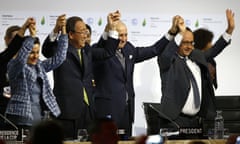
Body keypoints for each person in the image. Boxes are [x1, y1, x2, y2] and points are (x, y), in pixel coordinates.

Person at [92, 10, 177, 137]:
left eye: (126, 35)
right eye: (120, 35)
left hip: (127, 111)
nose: (124, 39)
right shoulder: (99, 51)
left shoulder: (129, 49)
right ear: (112, 35)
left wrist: (171, 33)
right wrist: (109, 28)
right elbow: (102, 44)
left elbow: (154, 50)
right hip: (107, 111)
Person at [41, 13, 120, 139]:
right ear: (71, 35)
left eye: (86, 31)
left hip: (88, 111)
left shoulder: (87, 50)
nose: (86, 35)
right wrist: (56, 29)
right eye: (82, 32)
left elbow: (107, 52)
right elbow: (46, 50)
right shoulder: (61, 50)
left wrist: (112, 28)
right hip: (67, 112)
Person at [157, 9, 234, 130]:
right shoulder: (168, 61)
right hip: (174, 121)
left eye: (191, 43)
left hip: (196, 121)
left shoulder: (196, 57)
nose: (189, 46)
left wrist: (229, 30)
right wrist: (180, 33)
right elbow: (166, 54)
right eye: (184, 42)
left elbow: (214, 50)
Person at [5, 16, 68, 135]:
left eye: (37, 52)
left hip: (40, 119)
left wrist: (63, 31)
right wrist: (32, 36)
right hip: (21, 119)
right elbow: (20, 59)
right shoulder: (15, 66)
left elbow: (60, 58)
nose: (35, 56)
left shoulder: (40, 66)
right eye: (31, 53)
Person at [0, 19, 34, 128]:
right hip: (3, 112)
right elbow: (12, 49)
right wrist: (25, 28)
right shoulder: (2, 59)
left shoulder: (30, 64)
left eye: (21, 40)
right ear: (6, 40)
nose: (19, 43)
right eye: (15, 39)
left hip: (23, 114)